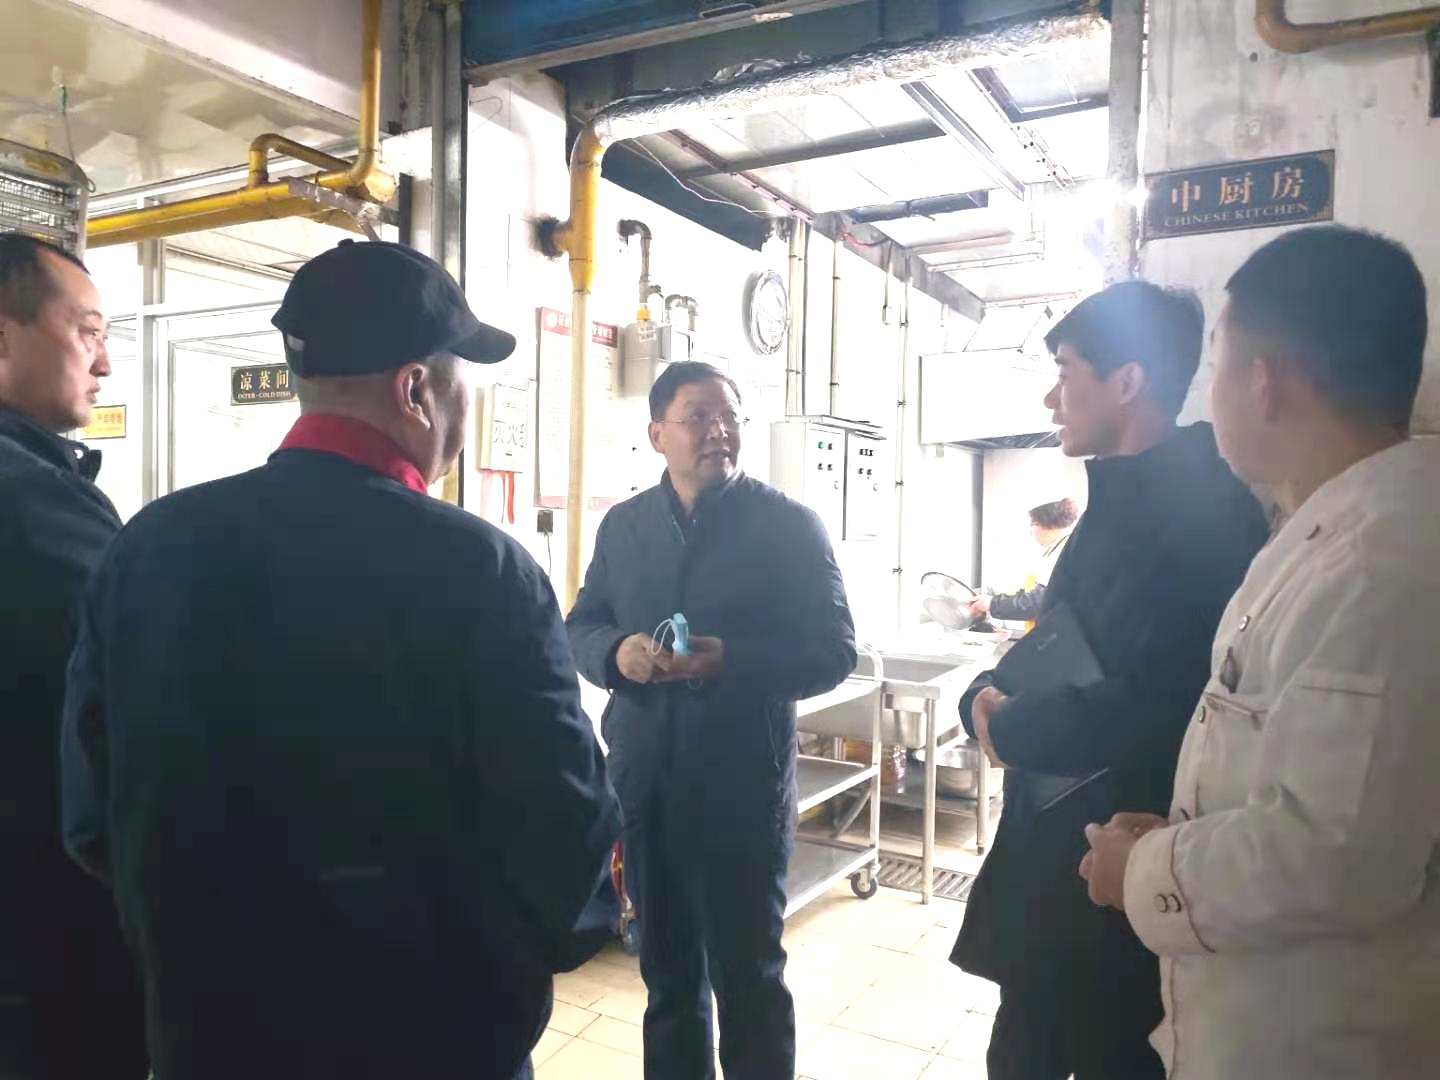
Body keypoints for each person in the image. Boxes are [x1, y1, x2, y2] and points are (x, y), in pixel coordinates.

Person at [59, 240, 622, 1080]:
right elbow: (562, 833)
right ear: (415, 389)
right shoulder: (482, 573)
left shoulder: (150, 547)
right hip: (430, 1040)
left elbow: (92, 810)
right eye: (462, 379)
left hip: (210, 1034)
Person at [1082, 226, 1440, 1079]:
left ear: (1263, 382)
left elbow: (1336, 855)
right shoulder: (1327, 532)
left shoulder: (1379, 565)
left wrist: (1143, 869)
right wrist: (1185, 831)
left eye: (1217, 364)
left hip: (1316, 1044)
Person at [952, 281, 1269, 1080]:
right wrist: (981, 696)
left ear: (1127, 381)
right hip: (1055, 865)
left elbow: (1165, 699)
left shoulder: (1206, 514)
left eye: (1066, 372)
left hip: (1123, 869)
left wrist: (1010, 725)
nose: (1051, 397)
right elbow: (1059, 647)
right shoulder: (1118, 501)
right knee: (1020, 1051)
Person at [567, 360, 856, 1080]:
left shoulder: (788, 526)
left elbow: (834, 651)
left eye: (729, 416)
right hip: (648, 782)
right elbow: (580, 625)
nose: (718, 430)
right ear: (657, 433)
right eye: (698, 416)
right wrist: (615, 652)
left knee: (749, 975)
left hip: (743, 786)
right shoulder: (625, 525)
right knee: (667, 976)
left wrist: (732, 660)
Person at [0, 233, 148, 1080]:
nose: (106, 363)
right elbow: (127, 703)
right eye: (87, 332)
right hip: (44, 936)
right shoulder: (30, 504)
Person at [969, 497, 1079, 623]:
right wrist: (993, 597)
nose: (1030, 532)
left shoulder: (1063, 553)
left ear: (1051, 524)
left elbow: (1036, 603)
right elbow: (1028, 592)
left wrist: (992, 604)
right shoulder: (1057, 550)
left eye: (1034, 524)